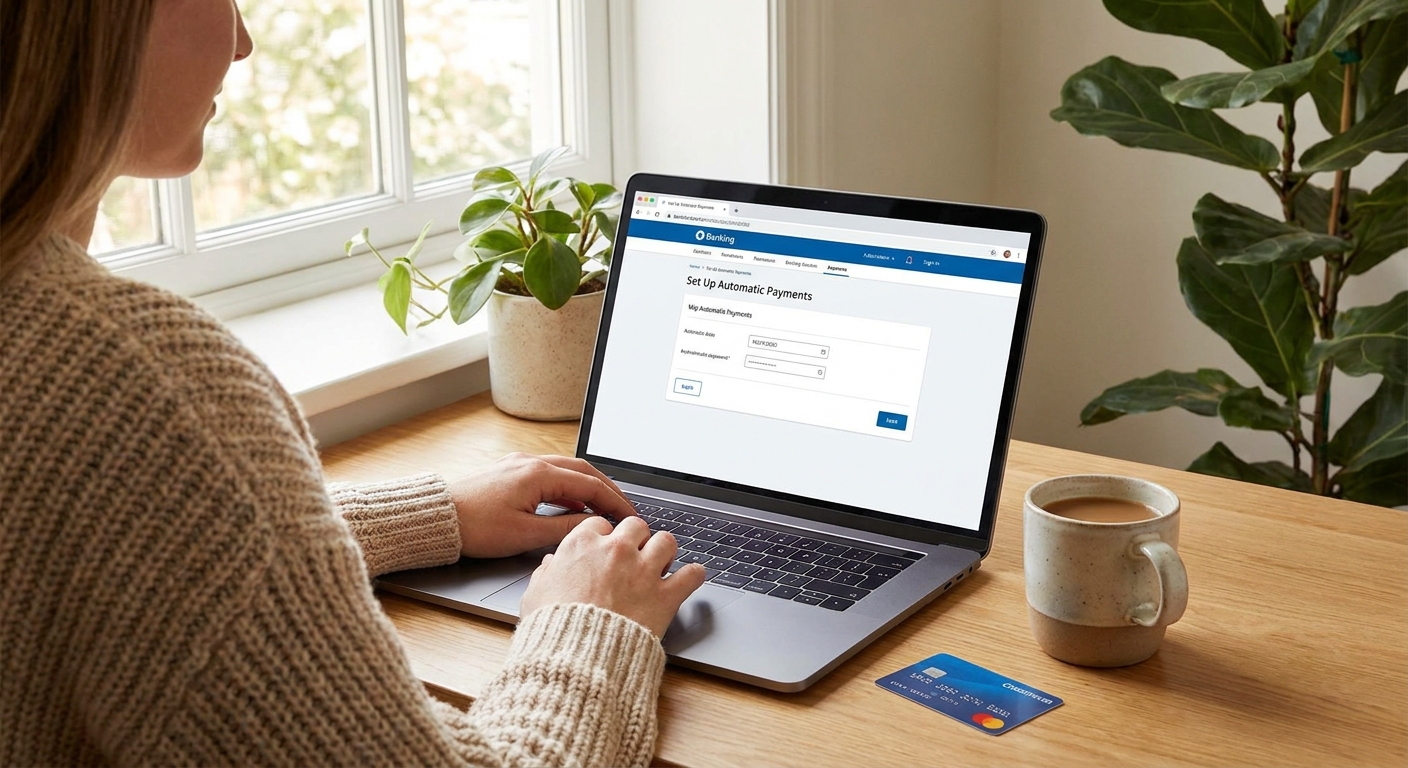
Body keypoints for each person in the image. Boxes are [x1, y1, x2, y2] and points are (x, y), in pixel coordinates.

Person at [0, 1, 706, 765]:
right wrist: (591, 622)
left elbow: (113, 541)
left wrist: (421, 517)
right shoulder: (144, 385)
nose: (243, 42)